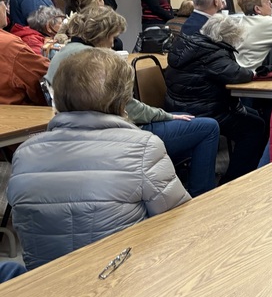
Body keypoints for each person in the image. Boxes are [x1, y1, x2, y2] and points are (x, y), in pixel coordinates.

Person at [9, 48, 191, 270]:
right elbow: (177, 219)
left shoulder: (24, 154)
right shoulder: (143, 147)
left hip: (42, 283)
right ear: (124, 98)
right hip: (121, 278)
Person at [44, 5, 221, 196]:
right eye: (112, 37)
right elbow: (127, 107)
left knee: (185, 120)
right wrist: (165, 115)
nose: (113, 44)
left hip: (83, 132)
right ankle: (201, 195)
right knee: (207, 127)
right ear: (102, 34)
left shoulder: (63, 53)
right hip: (116, 132)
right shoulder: (94, 60)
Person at [166, 14, 264, 182]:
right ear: (226, 38)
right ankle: (236, 178)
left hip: (179, 107)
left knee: (255, 116)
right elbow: (237, 74)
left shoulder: (189, 43)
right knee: (255, 128)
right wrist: (255, 73)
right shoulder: (213, 53)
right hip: (205, 112)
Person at [0, 0, 50, 105]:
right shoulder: (9, 46)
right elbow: (48, 78)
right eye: (3, 2)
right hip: (16, 121)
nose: (7, 9)